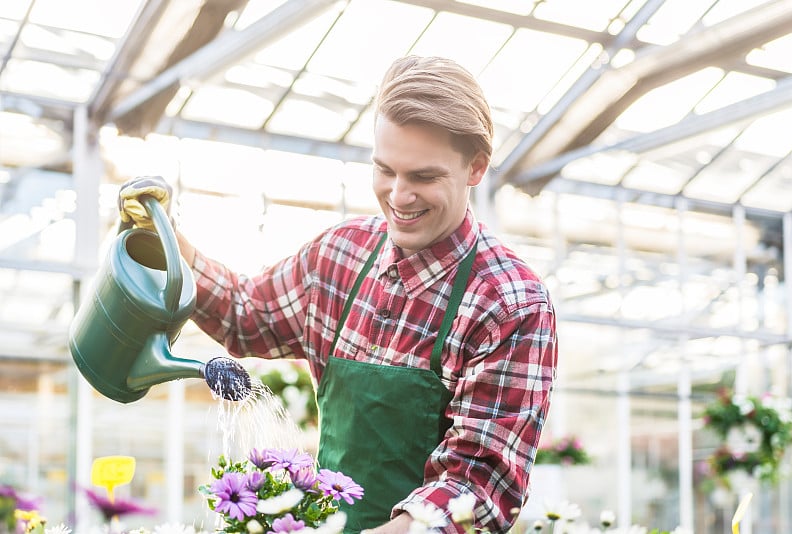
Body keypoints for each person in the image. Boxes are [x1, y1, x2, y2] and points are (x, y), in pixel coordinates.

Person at [118, 55, 558, 534]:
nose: (399, 195)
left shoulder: (511, 303)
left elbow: (478, 484)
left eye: (423, 177)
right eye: (385, 170)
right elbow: (247, 316)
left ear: (475, 167)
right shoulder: (340, 256)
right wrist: (168, 242)